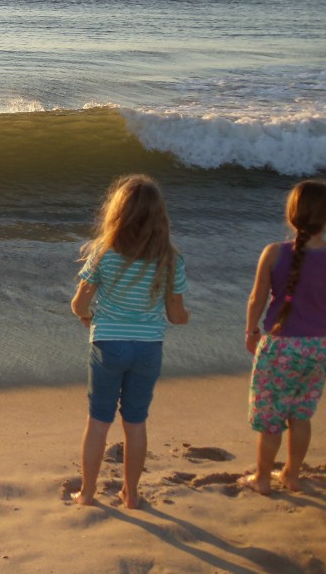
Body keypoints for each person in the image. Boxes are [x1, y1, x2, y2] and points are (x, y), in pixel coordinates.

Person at [69, 174, 190, 509]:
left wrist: (87, 317)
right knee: (135, 422)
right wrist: (187, 316)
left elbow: (79, 303)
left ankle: (88, 494)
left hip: (109, 344)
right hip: (148, 349)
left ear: (116, 213)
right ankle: (131, 494)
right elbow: (175, 315)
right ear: (159, 218)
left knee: (98, 422)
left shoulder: (103, 252)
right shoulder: (170, 260)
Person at [241, 178, 326, 495]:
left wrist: (252, 331)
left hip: (281, 346)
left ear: (292, 214)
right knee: (301, 413)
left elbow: (257, 298)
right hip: (320, 346)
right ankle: (292, 475)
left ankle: (263, 479)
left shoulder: (275, 253)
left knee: (271, 418)